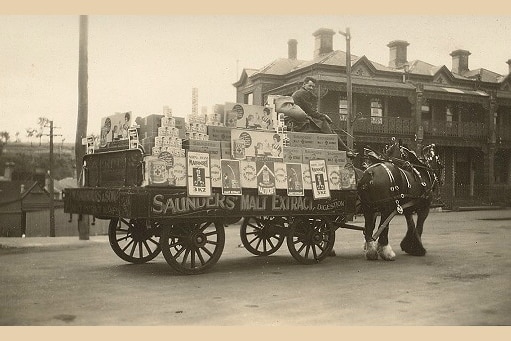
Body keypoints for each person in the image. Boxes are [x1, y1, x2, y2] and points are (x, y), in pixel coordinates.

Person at [291, 76, 352, 154]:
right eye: (309, 86)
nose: (311, 88)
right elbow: (310, 111)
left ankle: (346, 149)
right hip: (302, 122)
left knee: (329, 129)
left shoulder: (297, 93)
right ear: (304, 84)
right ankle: (346, 150)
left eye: (313, 86)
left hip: (297, 120)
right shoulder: (303, 93)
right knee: (326, 126)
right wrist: (324, 116)